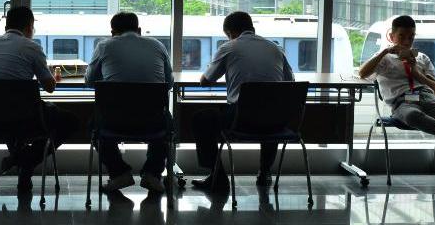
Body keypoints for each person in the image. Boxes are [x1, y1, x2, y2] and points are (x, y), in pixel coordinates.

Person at [357, 14, 435, 202]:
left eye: (411, 37)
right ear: (391, 36)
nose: (407, 41)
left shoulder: (422, 58)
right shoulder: (383, 59)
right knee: (413, 116)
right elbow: (363, 73)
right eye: (402, 36)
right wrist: (385, 52)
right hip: (401, 102)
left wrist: (415, 71)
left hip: (427, 96)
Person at [0, 4, 79, 192]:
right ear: (29, 27)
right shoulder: (32, 47)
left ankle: (19, 162)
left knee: (12, 116)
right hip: (26, 119)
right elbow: (49, 87)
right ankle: (25, 162)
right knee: (71, 121)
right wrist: (52, 76)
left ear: (6, 25)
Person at [191, 11, 294, 191]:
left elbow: (205, 81)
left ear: (230, 33)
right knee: (269, 110)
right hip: (277, 121)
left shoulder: (229, 47)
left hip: (242, 121)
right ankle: (264, 172)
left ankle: (217, 177)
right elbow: (290, 82)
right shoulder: (276, 48)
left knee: (201, 119)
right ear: (252, 28)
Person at [84, 11, 174, 194]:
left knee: (94, 125)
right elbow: (169, 83)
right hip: (152, 122)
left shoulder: (104, 46)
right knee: (167, 125)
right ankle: (152, 174)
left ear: (112, 32)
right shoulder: (158, 45)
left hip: (114, 122)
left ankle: (119, 173)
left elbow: (89, 81)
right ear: (139, 30)